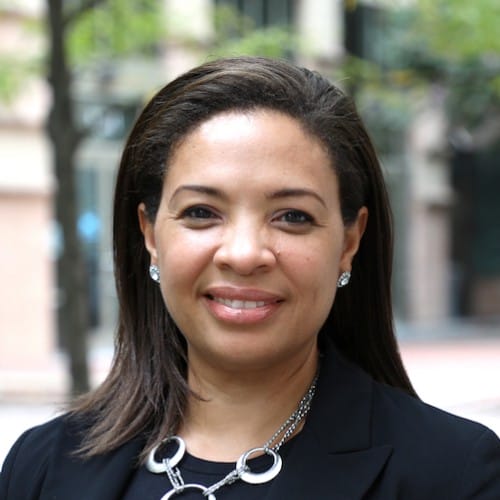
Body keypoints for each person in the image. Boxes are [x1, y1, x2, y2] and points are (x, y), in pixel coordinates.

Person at [1, 56, 499, 499]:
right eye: (201, 212)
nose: (243, 255)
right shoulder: (42, 466)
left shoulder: (455, 475)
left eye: (293, 217)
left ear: (349, 242)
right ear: (150, 233)